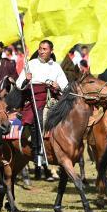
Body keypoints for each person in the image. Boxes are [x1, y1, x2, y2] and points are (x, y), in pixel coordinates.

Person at [16, 39, 68, 180]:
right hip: (35, 98)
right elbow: (19, 84)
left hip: (52, 98)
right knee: (38, 118)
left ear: (51, 51)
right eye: (40, 48)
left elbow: (66, 86)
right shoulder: (31, 64)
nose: (41, 51)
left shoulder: (56, 66)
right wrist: (26, 79)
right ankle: (37, 151)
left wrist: (58, 85)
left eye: (45, 49)